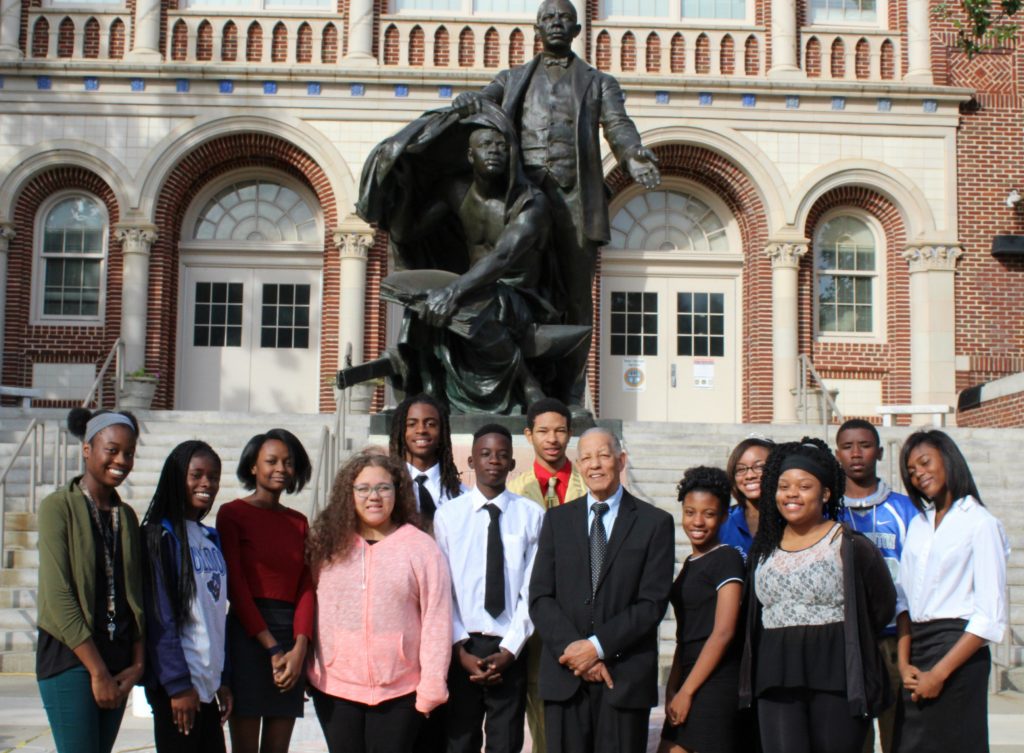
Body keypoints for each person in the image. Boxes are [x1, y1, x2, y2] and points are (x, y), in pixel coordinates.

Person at [453, 0, 661, 412]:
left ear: (578, 28)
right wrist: (466, 101)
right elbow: (482, 107)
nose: (556, 24)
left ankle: (570, 392)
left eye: (564, 18)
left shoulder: (598, 81)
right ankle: (516, 385)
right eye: (548, 18)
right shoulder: (511, 79)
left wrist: (633, 154)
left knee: (577, 298)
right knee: (513, 288)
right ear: (536, 28)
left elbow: (617, 123)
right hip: (523, 195)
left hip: (574, 201)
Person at [739, 438, 896, 753]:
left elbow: (881, 606)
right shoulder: (762, 549)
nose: (792, 494)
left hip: (836, 674)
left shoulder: (850, 544)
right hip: (775, 675)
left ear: (825, 493)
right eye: (783, 487)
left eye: (804, 486)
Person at [529, 427, 674, 753]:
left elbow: (651, 603)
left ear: (621, 460)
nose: (595, 464)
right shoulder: (557, 520)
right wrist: (577, 653)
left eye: (604, 455)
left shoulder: (654, 523)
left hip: (623, 679)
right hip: (566, 679)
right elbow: (540, 597)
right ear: (578, 465)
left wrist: (597, 647)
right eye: (587, 458)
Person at [306, 451, 453, 753]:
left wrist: (432, 685)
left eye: (384, 488)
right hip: (335, 686)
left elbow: (437, 620)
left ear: (398, 492)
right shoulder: (328, 545)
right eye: (363, 488)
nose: (374, 496)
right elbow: (309, 605)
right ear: (350, 493)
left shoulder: (421, 548)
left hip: (400, 691)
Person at [36, 408, 145, 753]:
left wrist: (138, 663)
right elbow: (58, 595)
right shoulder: (58, 507)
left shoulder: (125, 516)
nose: (121, 460)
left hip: (117, 659)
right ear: (87, 449)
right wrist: (97, 671)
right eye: (111, 450)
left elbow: (134, 596)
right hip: (72, 657)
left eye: (128, 453)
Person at [893, 430, 1009, 753]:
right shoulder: (919, 523)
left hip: (957, 651)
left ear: (949, 458)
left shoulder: (980, 523)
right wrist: (904, 665)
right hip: (917, 650)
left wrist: (940, 673)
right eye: (911, 471)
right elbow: (903, 600)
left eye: (925, 462)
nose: (919, 475)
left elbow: (989, 616)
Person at [434, 425, 544, 753]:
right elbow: (443, 590)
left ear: (512, 464)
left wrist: (511, 649)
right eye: (485, 454)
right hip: (462, 649)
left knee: (505, 742)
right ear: (471, 460)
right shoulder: (448, 516)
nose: (493, 461)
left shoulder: (531, 516)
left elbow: (532, 588)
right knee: (460, 739)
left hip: (509, 650)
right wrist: (459, 649)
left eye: (502, 455)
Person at [216, 429, 314, 753]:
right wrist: (272, 648)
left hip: (290, 637)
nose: (281, 468)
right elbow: (236, 586)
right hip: (248, 635)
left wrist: (300, 648)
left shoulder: (299, 522)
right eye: (271, 461)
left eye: (288, 462)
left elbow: (306, 586)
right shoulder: (232, 514)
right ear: (253, 467)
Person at [507, 397, 586, 753]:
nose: (552, 438)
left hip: (581, 614)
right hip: (531, 616)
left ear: (570, 434)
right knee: (537, 699)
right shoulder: (513, 492)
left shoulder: (591, 486)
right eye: (543, 431)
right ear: (528, 435)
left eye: (560, 430)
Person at [142, 440, 232, 752]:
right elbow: (159, 617)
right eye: (196, 475)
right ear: (176, 476)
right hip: (178, 686)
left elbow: (215, 613)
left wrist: (222, 679)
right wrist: (178, 684)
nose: (207, 483)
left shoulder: (208, 537)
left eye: (214, 476)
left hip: (206, 684)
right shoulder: (159, 535)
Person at [834, 419, 917, 753]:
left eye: (865, 446)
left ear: (880, 452)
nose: (856, 454)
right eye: (848, 446)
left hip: (894, 638)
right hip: (845, 640)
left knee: (899, 732)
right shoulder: (827, 510)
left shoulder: (905, 509)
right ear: (837, 453)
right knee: (852, 737)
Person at [658, 467, 744, 753]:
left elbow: (723, 632)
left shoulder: (728, 558)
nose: (698, 521)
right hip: (687, 677)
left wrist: (687, 691)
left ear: (722, 517)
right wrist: (673, 686)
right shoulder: (689, 564)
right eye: (690, 512)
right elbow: (686, 635)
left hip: (716, 682)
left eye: (708, 514)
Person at [389, 393, 465, 529]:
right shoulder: (388, 489)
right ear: (401, 431)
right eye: (411, 424)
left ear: (442, 432)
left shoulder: (462, 495)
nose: (421, 430)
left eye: (431, 424)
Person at [719, 435, 773, 559]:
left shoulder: (791, 520)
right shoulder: (723, 520)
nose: (749, 475)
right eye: (740, 469)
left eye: (760, 467)